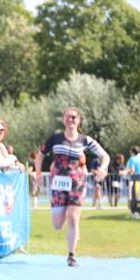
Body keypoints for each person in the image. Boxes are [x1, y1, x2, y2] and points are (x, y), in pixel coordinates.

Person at [34, 107, 109, 268]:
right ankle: (70, 238)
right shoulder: (54, 139)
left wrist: (103, 168)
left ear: (79, 120)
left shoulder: (85, 140)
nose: (71, 120)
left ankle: (71, 255)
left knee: (73, 218)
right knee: (57, 224)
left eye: (74, 117)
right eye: (68, 117)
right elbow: (40, 156)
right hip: (58, 184)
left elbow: (105, 156)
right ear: (63, 120)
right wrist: (39, 174)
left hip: (77, 184)